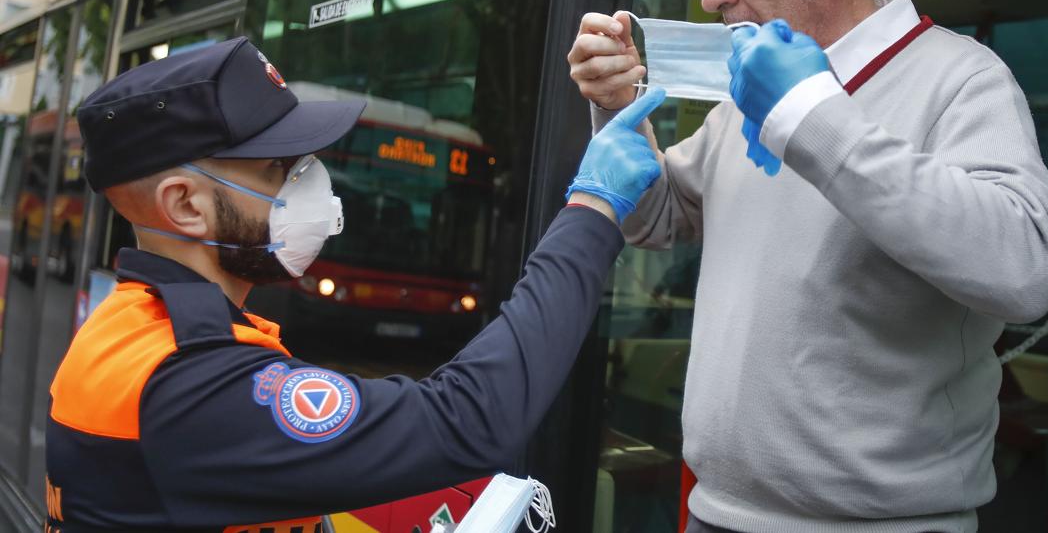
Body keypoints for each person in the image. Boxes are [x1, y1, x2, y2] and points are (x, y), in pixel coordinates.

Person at [567, 0, 1048, 532]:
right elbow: (654, 219)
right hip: (715, 512)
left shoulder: (962, 78)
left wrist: (809, 116)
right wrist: (617, 109)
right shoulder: (741, 97)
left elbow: (1028, 270)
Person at [44, 36, 666, 532]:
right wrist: (593, 210)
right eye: (277, 168)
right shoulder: (186, 384)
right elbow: (468, 419)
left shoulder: (136, 331)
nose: (311, 184)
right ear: (185, 206)